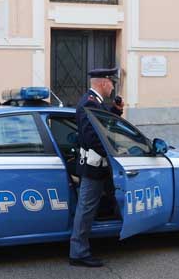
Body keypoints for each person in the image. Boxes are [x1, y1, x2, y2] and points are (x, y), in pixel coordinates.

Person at [69, 67, 124, 267]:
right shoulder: (88, 104)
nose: (112, 87)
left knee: (102, 203)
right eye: (111, 83)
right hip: (93, 168)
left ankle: (113, 236)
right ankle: (78, 253)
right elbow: (93, 137)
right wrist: (115, 152)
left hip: (99, 167)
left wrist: (115, 111)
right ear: (103, 83)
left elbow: (102, 123)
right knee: (86, 209)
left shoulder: (95, 103)